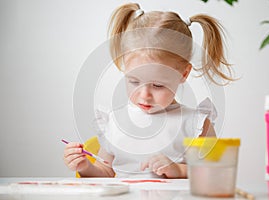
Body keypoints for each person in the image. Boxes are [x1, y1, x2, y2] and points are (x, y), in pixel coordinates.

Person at [63, 3, 234, 178]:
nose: (144, 95)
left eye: (158, 85)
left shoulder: (196, 124)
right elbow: (106, 172)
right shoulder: (115, 122)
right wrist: (84, 167)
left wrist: (178, 170)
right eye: (134, 81)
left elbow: (215, 173)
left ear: (184, 74)